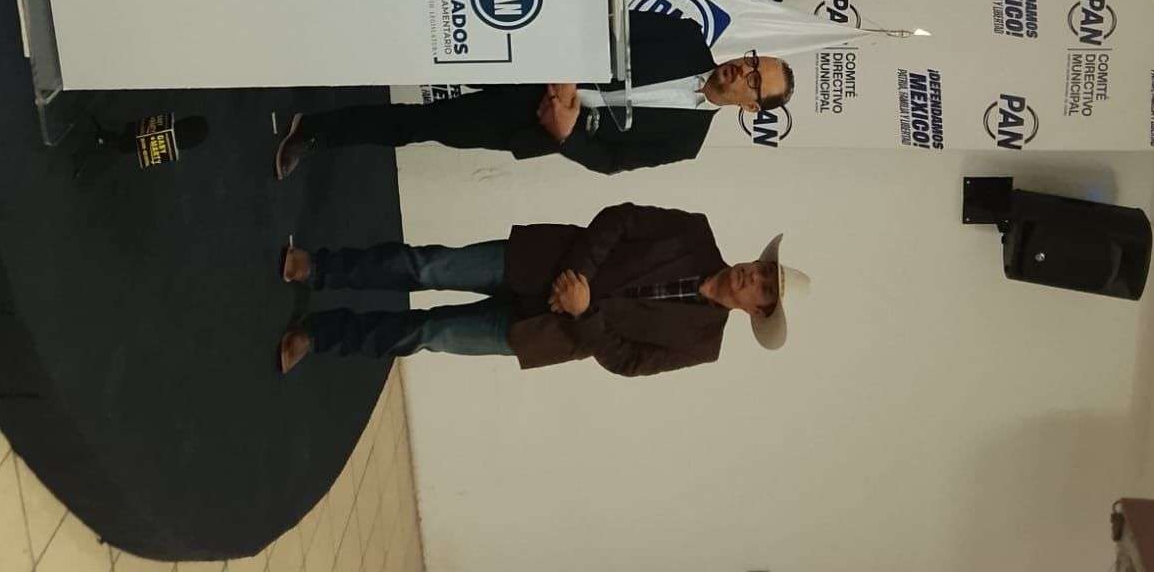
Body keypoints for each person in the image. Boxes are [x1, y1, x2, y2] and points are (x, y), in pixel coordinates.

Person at [276, 204, 810, 376]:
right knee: (428, 266)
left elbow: (628, 362)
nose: (754, 276)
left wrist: (581, 312)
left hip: (547, 332)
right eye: (763, 269)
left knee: (429, 333)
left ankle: (319, 335)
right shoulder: (695, 232)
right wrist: (577, 277)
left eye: (764, 288)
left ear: (757, 312)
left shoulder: (702, 345)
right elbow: (620, 219)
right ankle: (318, 268)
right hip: (538, 261)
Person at [272, 10, 795, 178]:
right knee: (416, 46)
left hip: (534, 123)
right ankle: (306, 45)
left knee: (419, 126)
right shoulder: (684, 37)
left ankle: (315, 132)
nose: (743, 70)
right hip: (530, 55)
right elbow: (607, 23)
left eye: (755, 81)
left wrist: (565, 134)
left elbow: (613, 162)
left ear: (752, 107)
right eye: (753, 61)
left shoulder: (687, 141)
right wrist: (568, 66)